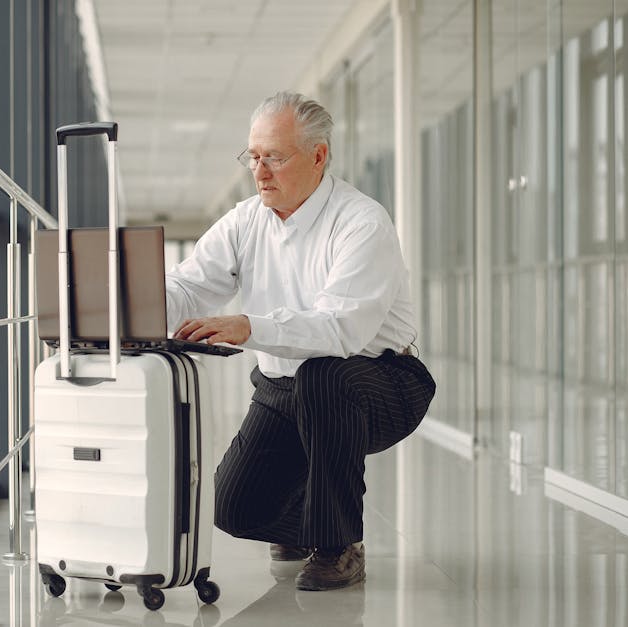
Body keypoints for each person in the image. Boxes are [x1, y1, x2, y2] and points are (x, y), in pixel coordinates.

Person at [165, 91, 436, 591]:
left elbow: (341, 331)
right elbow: (189, 285)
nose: (260, 171)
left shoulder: (361, 221)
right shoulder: (247, 219)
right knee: (234, 510)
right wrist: (135, 306)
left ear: (318, 156)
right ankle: (310, 520)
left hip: (379, 383)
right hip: (283, 389)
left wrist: (251, 326)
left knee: (323, 374)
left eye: (275, 156)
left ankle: (338, 546)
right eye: (253, 156)